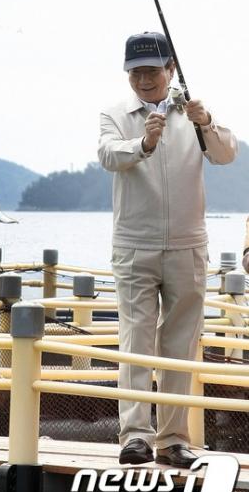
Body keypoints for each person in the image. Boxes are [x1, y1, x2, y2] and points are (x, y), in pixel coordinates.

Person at [98, 31, 237, 468]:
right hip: (133, 245)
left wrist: (207, 120)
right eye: (135, 72)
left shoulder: (192, 112)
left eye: (152, 71)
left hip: (188, 244)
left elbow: (226, 154)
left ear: (170, 70)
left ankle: (173, 438)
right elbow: (108, 155)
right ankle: (134, 436)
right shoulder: (116, 114)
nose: (143, 80)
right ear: (127, 75)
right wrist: (144, 143)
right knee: (135, 338)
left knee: (180, 344)